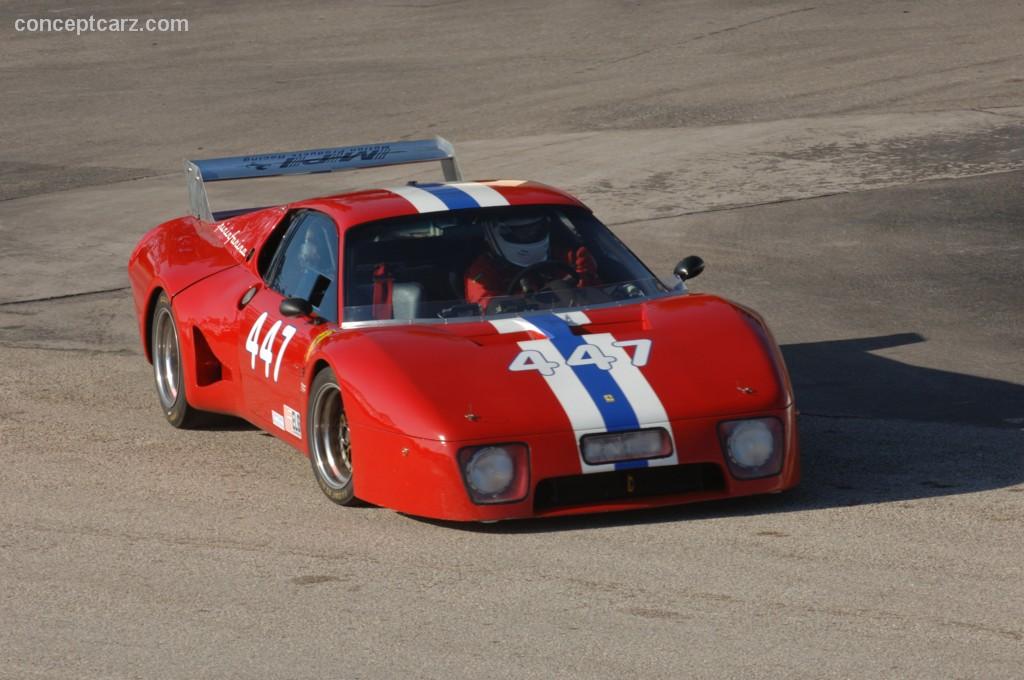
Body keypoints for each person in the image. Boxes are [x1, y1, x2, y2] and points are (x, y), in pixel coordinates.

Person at [464, 213, 598, 310]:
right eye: (521, 232)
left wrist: (564, 286)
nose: (530, 234)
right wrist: (526, 299)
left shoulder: (571, 255)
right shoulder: (483, 270)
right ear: (498, 231)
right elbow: (487, 307)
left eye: (535, 229)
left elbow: (594, 288)